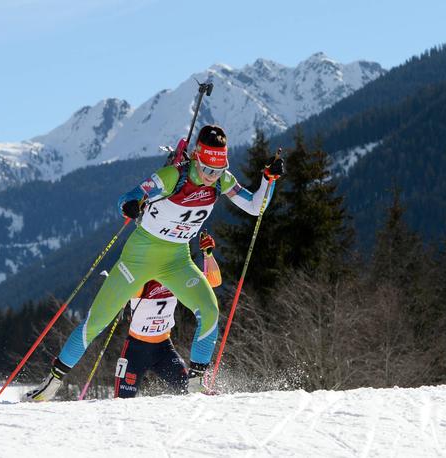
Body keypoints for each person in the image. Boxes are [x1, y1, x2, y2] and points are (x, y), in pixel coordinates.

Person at [25, 124, 283, 402]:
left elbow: (256, 207)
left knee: (209, 310)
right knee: (96, 321)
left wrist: (268, 179)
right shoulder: (173, 176)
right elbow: (130, 196)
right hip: (138, 258)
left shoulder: (222, 181)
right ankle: (51, 384)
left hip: (176, 260)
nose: (211, 177)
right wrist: (131, 205)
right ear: (197, 157)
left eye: (217, 171)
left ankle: (196, 385)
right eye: (208, 170)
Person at [114, 231, 219, 398]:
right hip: (136, 350)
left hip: (164, 349)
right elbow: (122, 289)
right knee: (122, 401)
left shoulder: (178, 279)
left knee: (191, 392)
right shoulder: (144, 281)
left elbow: (213, 282)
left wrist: (208, 255)